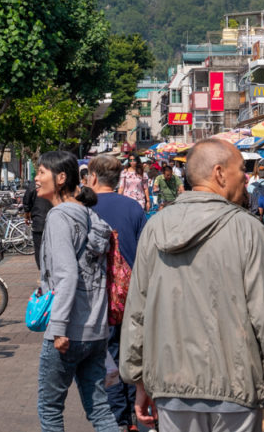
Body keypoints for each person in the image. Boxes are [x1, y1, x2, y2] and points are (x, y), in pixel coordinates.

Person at [120, 139, 264, 432]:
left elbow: (137, 310)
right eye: (241, 170)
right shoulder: (246, 228)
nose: (247, 177)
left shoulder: (156, 228)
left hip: (171, 387)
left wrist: (139, 378)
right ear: (220, 173)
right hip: (235, 388)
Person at [35, 151, 118, 432]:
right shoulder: (89, 214)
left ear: (61, 178)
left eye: (41, 172)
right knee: (100, 410)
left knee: (50, 410)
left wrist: (58, 327)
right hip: (95, 331)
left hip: (67, 332)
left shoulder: (59, 217)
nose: (36, 179)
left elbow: (67, 275)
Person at [88, 156, 147, 432]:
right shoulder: (134, 207)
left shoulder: (85, 208)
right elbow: (145, 252)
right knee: (133, 351)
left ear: (93, 177)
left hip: (99, 294)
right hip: (132, 292)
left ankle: (119, 418)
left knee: (107, 357)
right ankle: (138, 413)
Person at [23, 177, 53, 269]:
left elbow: (26, 201)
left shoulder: (33, 185)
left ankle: (43, 270)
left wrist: (27, 214)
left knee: (39, 248)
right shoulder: (53, 182)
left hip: (38, 222)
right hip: (53, 222)